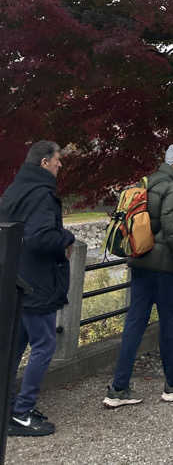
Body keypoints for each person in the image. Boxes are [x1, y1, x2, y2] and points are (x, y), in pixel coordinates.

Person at [103, 144, 173, 411]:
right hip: (163, 268)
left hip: (140, 261)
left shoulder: (145, 184)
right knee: (169, 322)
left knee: (135, 322)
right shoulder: (171, 189)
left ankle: (119, 387)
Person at [0, 141, 75, 438]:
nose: (61, 165)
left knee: (13, 347)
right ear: (45, 162)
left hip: (13, 280)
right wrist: (66, 239)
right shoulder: (43, 195)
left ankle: (8, 408)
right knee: (44, 344)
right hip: (37, 283)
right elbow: (41, 238)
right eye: (58, 160)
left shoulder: (14, 190)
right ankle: (21, 412)